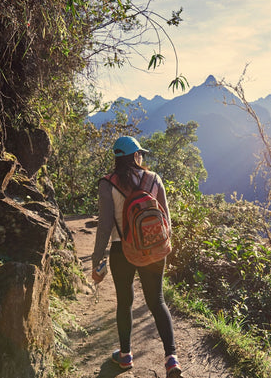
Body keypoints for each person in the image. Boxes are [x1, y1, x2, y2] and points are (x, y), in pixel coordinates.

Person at [91, 136, 181, 377]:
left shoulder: (107, 184)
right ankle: (171, 358)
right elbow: (166, 221)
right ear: (135, 156)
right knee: (157, 300)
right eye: (140, 153)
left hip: (122, 251)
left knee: (125, 301)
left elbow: (104, 226)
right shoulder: (154, 179)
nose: (142, 157)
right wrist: (162, 247)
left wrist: (97, 259)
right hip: (153, 248)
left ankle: (125, 355)